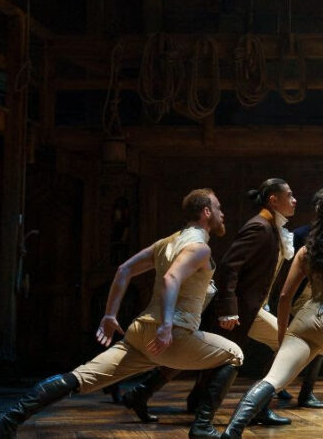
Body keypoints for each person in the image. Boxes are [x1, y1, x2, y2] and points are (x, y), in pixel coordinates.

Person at [0, 189, 244, 439]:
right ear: (206, 212)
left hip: (140, 334)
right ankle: (202, 427)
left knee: (80, 377)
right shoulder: (199, 248)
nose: (223, 214)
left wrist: (110, 315)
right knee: (234, 354)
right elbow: (171, 277)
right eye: (219, 208)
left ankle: (7, 420)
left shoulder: (169, 241)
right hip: (172, 334)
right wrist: (166, 325)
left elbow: (123, 270)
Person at [119, 179, 295, 426]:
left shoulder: (272, 227)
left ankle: (143, 393)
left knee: (206, 356)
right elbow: (229, 266)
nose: (295, 200)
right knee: (288, 344)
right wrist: (228, 309)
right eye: (289, 195)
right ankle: (259, 406)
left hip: (250, 307)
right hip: (242, 309)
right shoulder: (259, 226)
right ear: (273, 200)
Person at [220, 189, 323, 439]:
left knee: (273, 379)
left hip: (306, 320)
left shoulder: (306, 251)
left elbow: (284, 297)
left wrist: (284, 334)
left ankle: (232, 431)